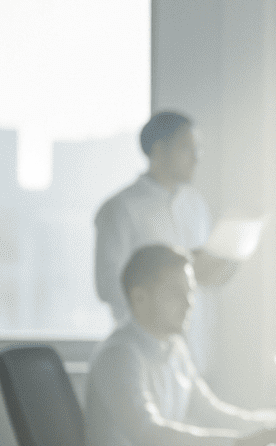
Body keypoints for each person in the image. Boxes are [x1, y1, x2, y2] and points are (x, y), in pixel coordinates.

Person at [84, 243, 276, 446]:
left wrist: (275, 426)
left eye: (191, 291)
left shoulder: (175, 347)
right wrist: (239, 442)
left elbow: (209, 410)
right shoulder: (119, 356)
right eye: (176, 293)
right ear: (139, 297)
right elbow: (148, 434)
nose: (188, 303)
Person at [93, 110, 236, 371]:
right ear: (158, 150)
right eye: (186, 148)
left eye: (198, 149)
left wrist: (216, 268)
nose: (196, 158)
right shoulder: (121, 209)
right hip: (143, 355)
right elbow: (108, 286)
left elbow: (201, 278)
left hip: (194, 355)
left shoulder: (196, 205)